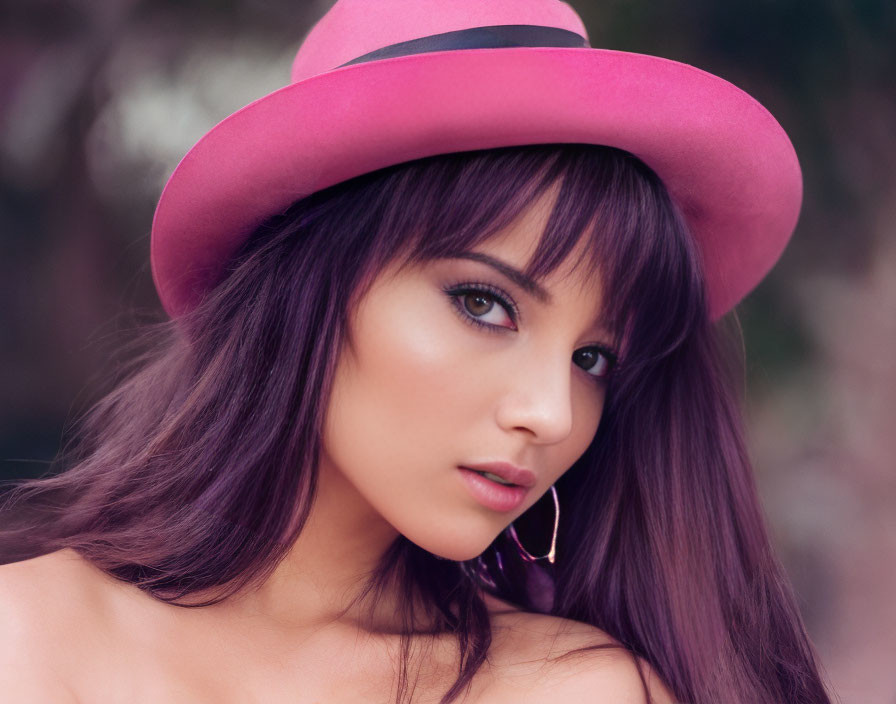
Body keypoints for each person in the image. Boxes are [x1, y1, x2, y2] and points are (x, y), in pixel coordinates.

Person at [0, 1, 834, 702]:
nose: (548, 415)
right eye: (485, 303)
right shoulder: (27, 638)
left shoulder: (564, 689)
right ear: (308, 288)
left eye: (594, 360)